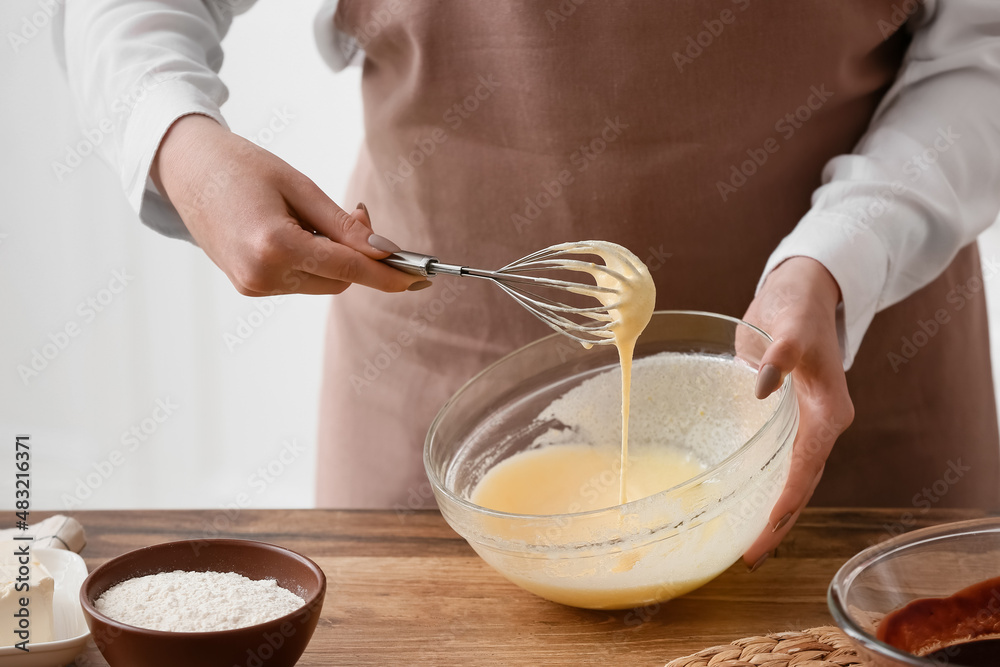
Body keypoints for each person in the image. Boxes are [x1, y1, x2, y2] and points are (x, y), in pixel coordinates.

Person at [59, 0, 1000, 570]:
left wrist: (840, 256)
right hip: (434, 379)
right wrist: (178, 137)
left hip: (852, 382)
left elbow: (982, 52)